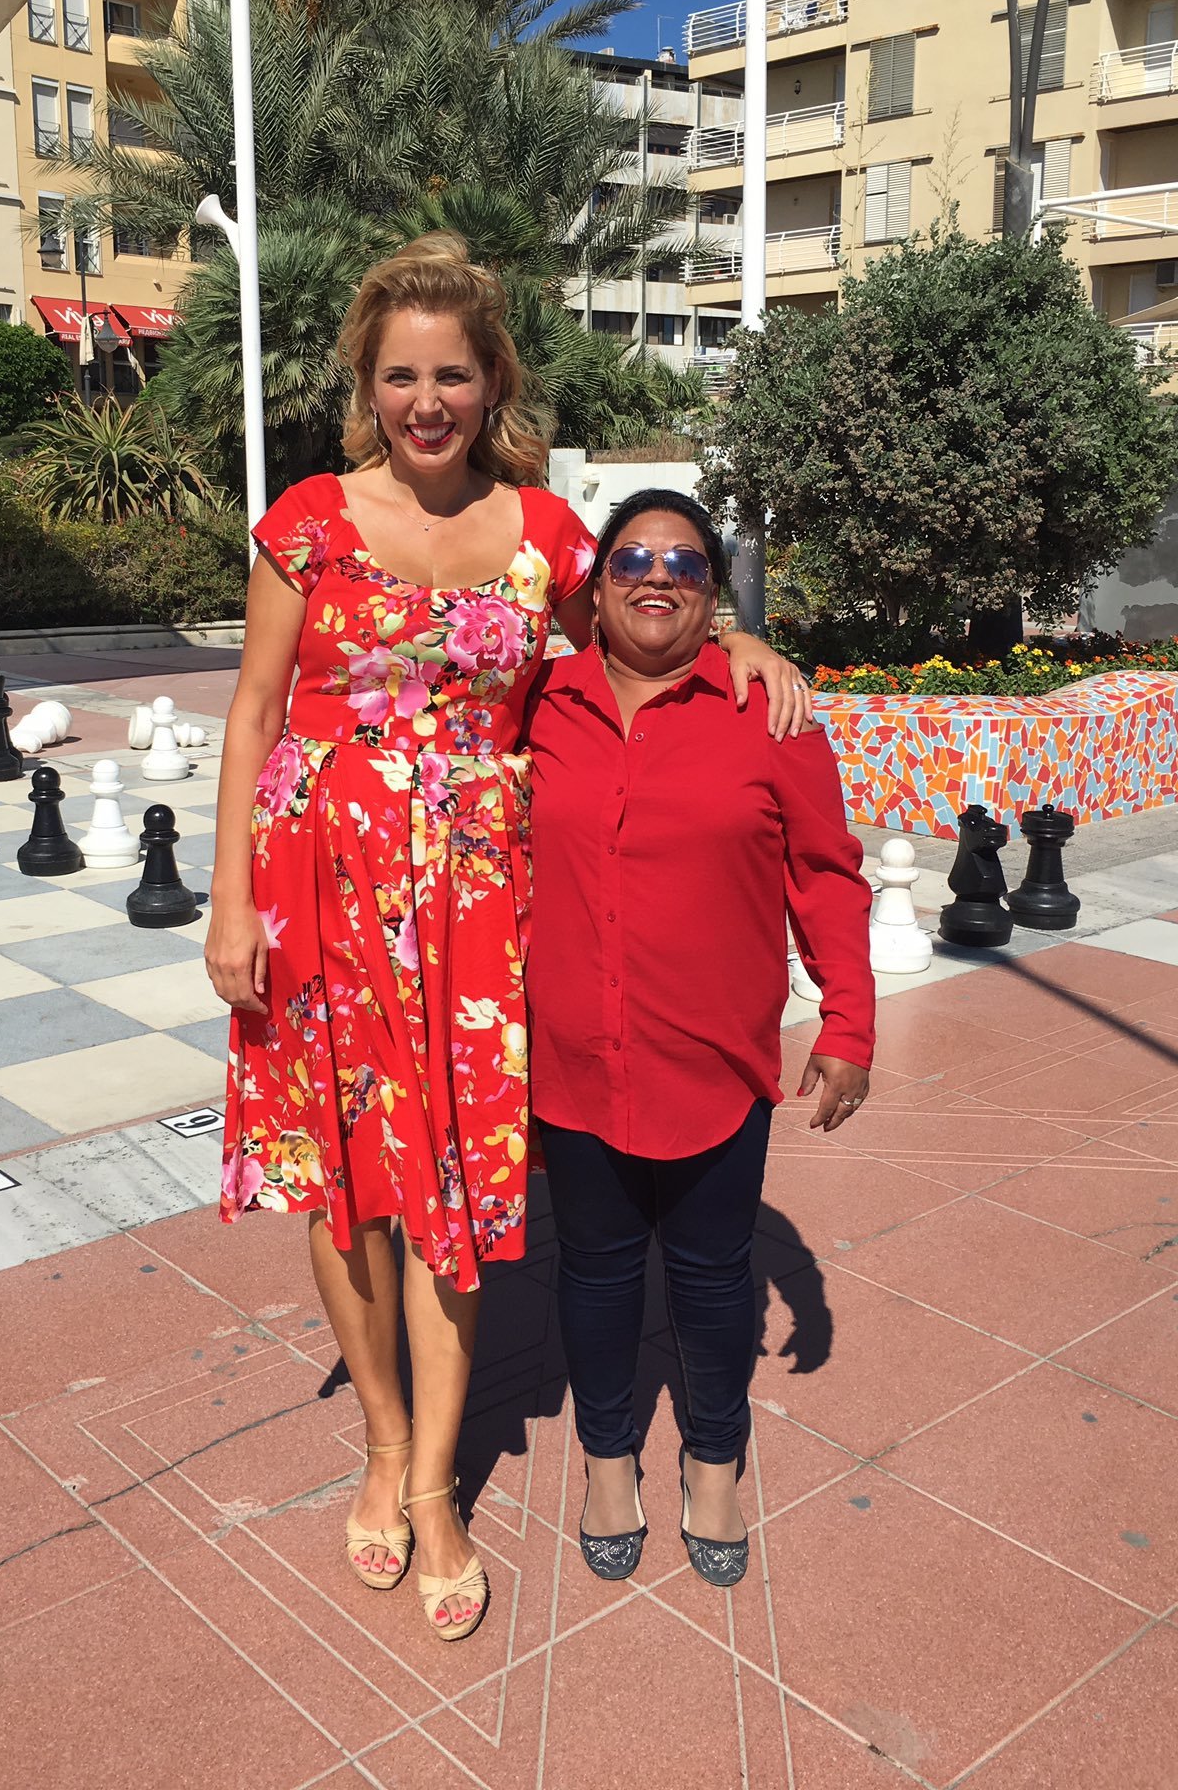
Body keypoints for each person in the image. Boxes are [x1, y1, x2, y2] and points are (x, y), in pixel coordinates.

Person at [203, 236, 810, 1641]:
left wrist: (741, 643)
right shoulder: (306, 519)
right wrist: (232, 901)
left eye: (453, 376)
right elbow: (253, 710)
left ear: (492, 385)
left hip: (477, 908)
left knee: (454, 1191)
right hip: (320, 889)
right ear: (368, 384)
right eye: (400, 375)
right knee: (345, 1184)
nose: (427, 401)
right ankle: (381, 1440)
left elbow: (641, 630)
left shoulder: (544, 534)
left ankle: (434, 1487)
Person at [524, 488, 875, 1588]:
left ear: (712, 592)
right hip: (575, 1055)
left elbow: (827, 873)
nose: (655, 577)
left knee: (717, 1279)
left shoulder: (768, 713)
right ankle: (608, 1461)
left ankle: (713, 1464)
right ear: (596, 587)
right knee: (594, 1272)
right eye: (631, 557)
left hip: (712, 1061)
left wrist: (849, 1019)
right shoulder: (537, 701)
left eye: (683, 562)